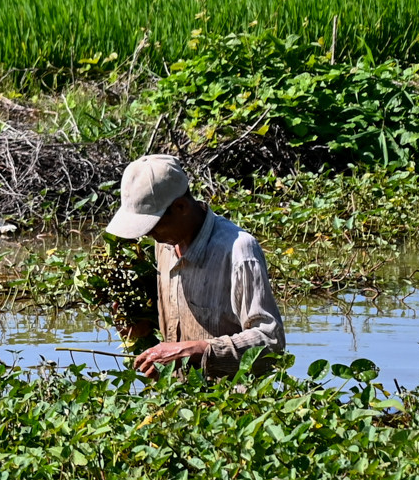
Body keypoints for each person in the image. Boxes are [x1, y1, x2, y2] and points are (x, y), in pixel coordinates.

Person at [106, 154, 285, 378]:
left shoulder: (239, 250)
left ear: (181, 207)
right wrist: (145, 324)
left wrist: (193, 351)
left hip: (234, 402)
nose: (149, 234)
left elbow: (271, 340)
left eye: (153, 226)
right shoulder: (164, 245)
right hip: (179, 399)